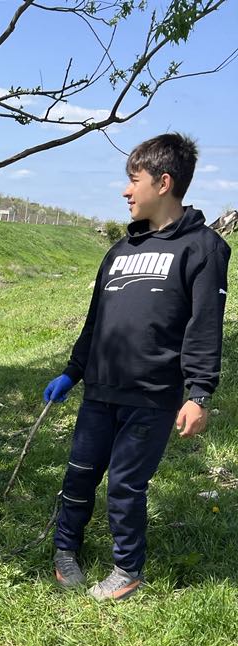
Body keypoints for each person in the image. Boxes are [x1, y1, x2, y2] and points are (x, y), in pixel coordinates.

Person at [42, 132, 230, 601]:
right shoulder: (119, 251)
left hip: (151, 396)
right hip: (100, 390)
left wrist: (199, 393)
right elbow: (96, 322)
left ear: (163, 183)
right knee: (80, 473)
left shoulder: (202, 248)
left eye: (134, 180)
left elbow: (205, 325)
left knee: (125, 484)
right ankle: (66, 549)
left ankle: (126, 569)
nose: (125, 191)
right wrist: (72, 371)